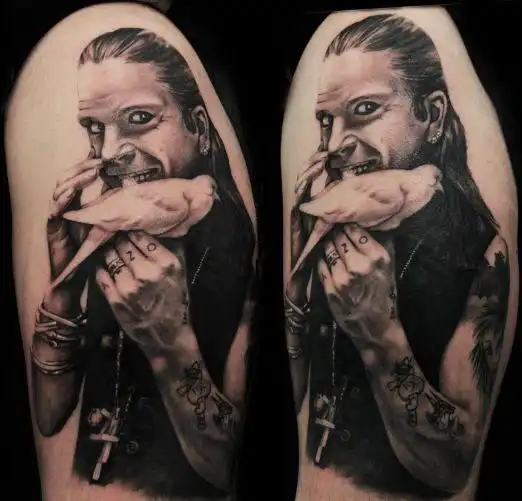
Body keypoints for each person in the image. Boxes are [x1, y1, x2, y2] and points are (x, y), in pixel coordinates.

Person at [6, 5, 255, 501]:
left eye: (139, 120)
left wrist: (169, 344)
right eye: (94, 128)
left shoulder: (232, 243)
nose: (108, 153)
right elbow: (51, 417)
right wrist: (64, 284)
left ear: (198, 125)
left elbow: (220, 464)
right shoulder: (109, 229)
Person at [283, 9, 517, 500]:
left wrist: (379, 334)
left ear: (432, 114)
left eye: (365, 109)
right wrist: (298, 282)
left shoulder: (475, 248)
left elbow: (452, 463)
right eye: (326, 121)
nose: (335, 145)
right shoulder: (333, 226)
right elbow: (298, 402)